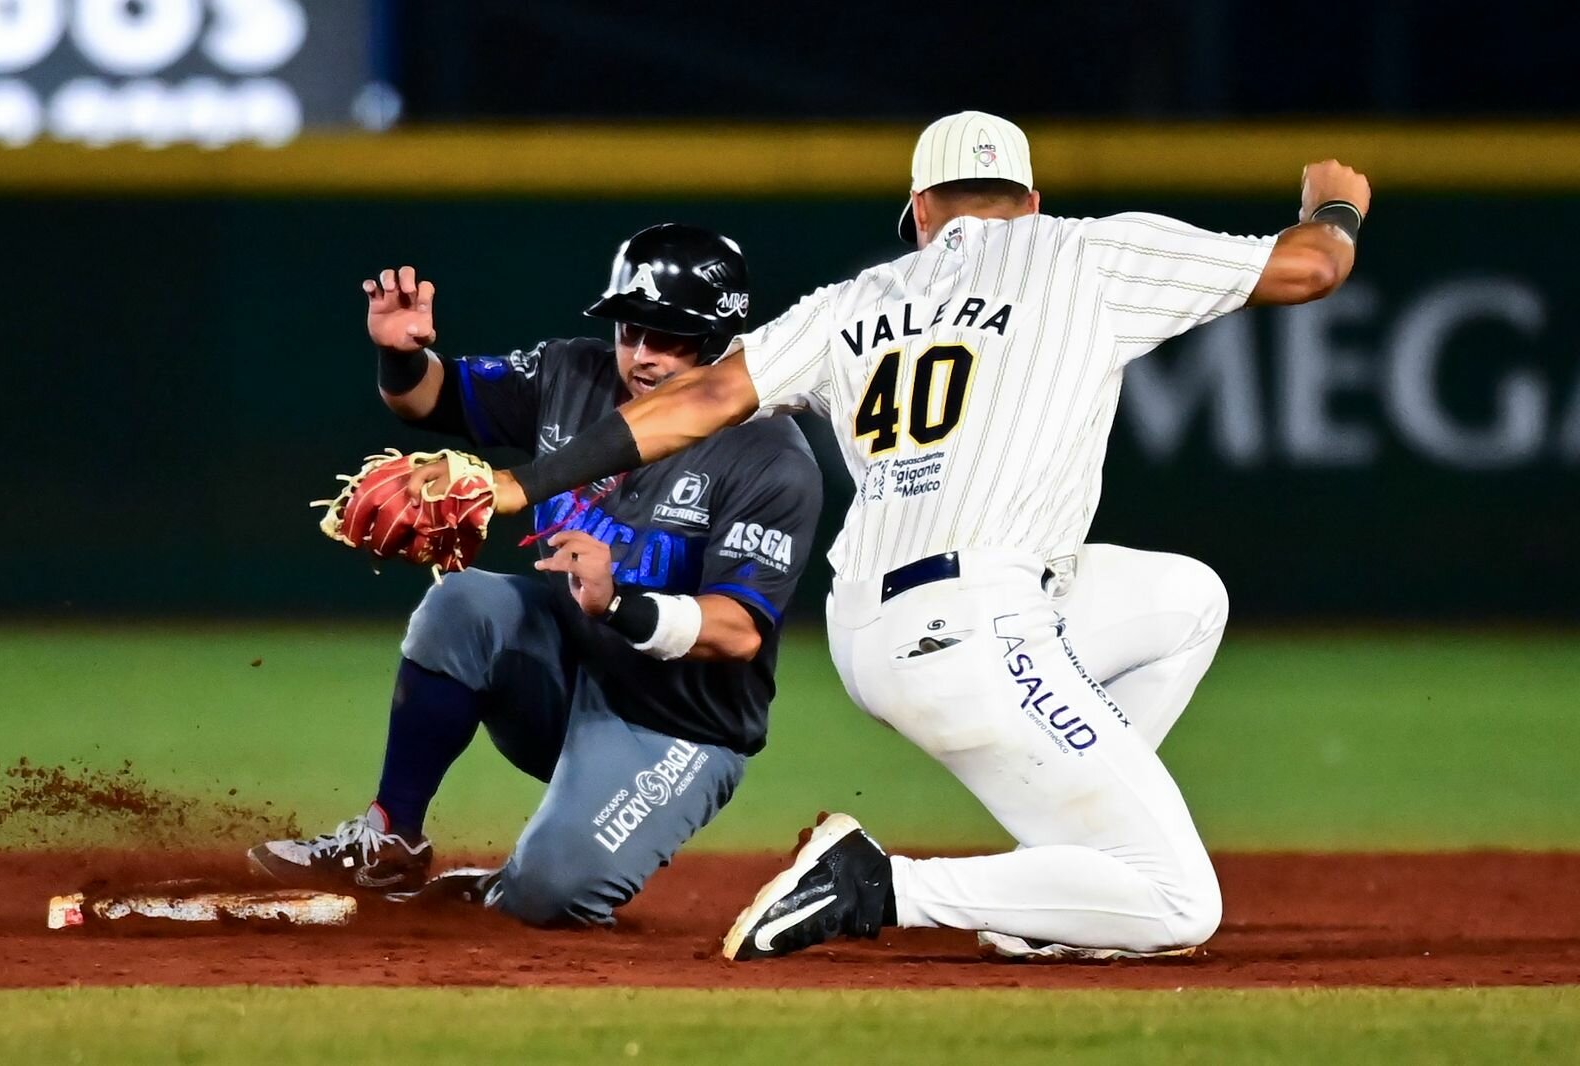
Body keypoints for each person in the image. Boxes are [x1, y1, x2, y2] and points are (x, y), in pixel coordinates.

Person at [400, 110, 1371, 959]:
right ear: (1030, 201)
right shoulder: (1079, 250)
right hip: (977, 625)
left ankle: (1048, 888)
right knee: (1176, 901)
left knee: (1185, 600)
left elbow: (701, 399)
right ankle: (882, 883)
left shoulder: (854, 300)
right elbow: (1313, 267)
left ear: (916, 211)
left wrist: (518, 487)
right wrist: (1332, 205)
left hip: (882, 625)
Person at [248, 224, 823, 928]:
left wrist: (618, 603)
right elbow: (432, 399)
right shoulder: (571, 374)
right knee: (463, 601)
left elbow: (738, 633)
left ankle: (498, 886)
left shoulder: (772, 455)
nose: (641, 357)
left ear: (719, 340)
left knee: (549, 896)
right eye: (630, 330)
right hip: (559, 673)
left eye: (667, 338)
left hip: (676, 726)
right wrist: (403, 357)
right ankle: (387, 837)